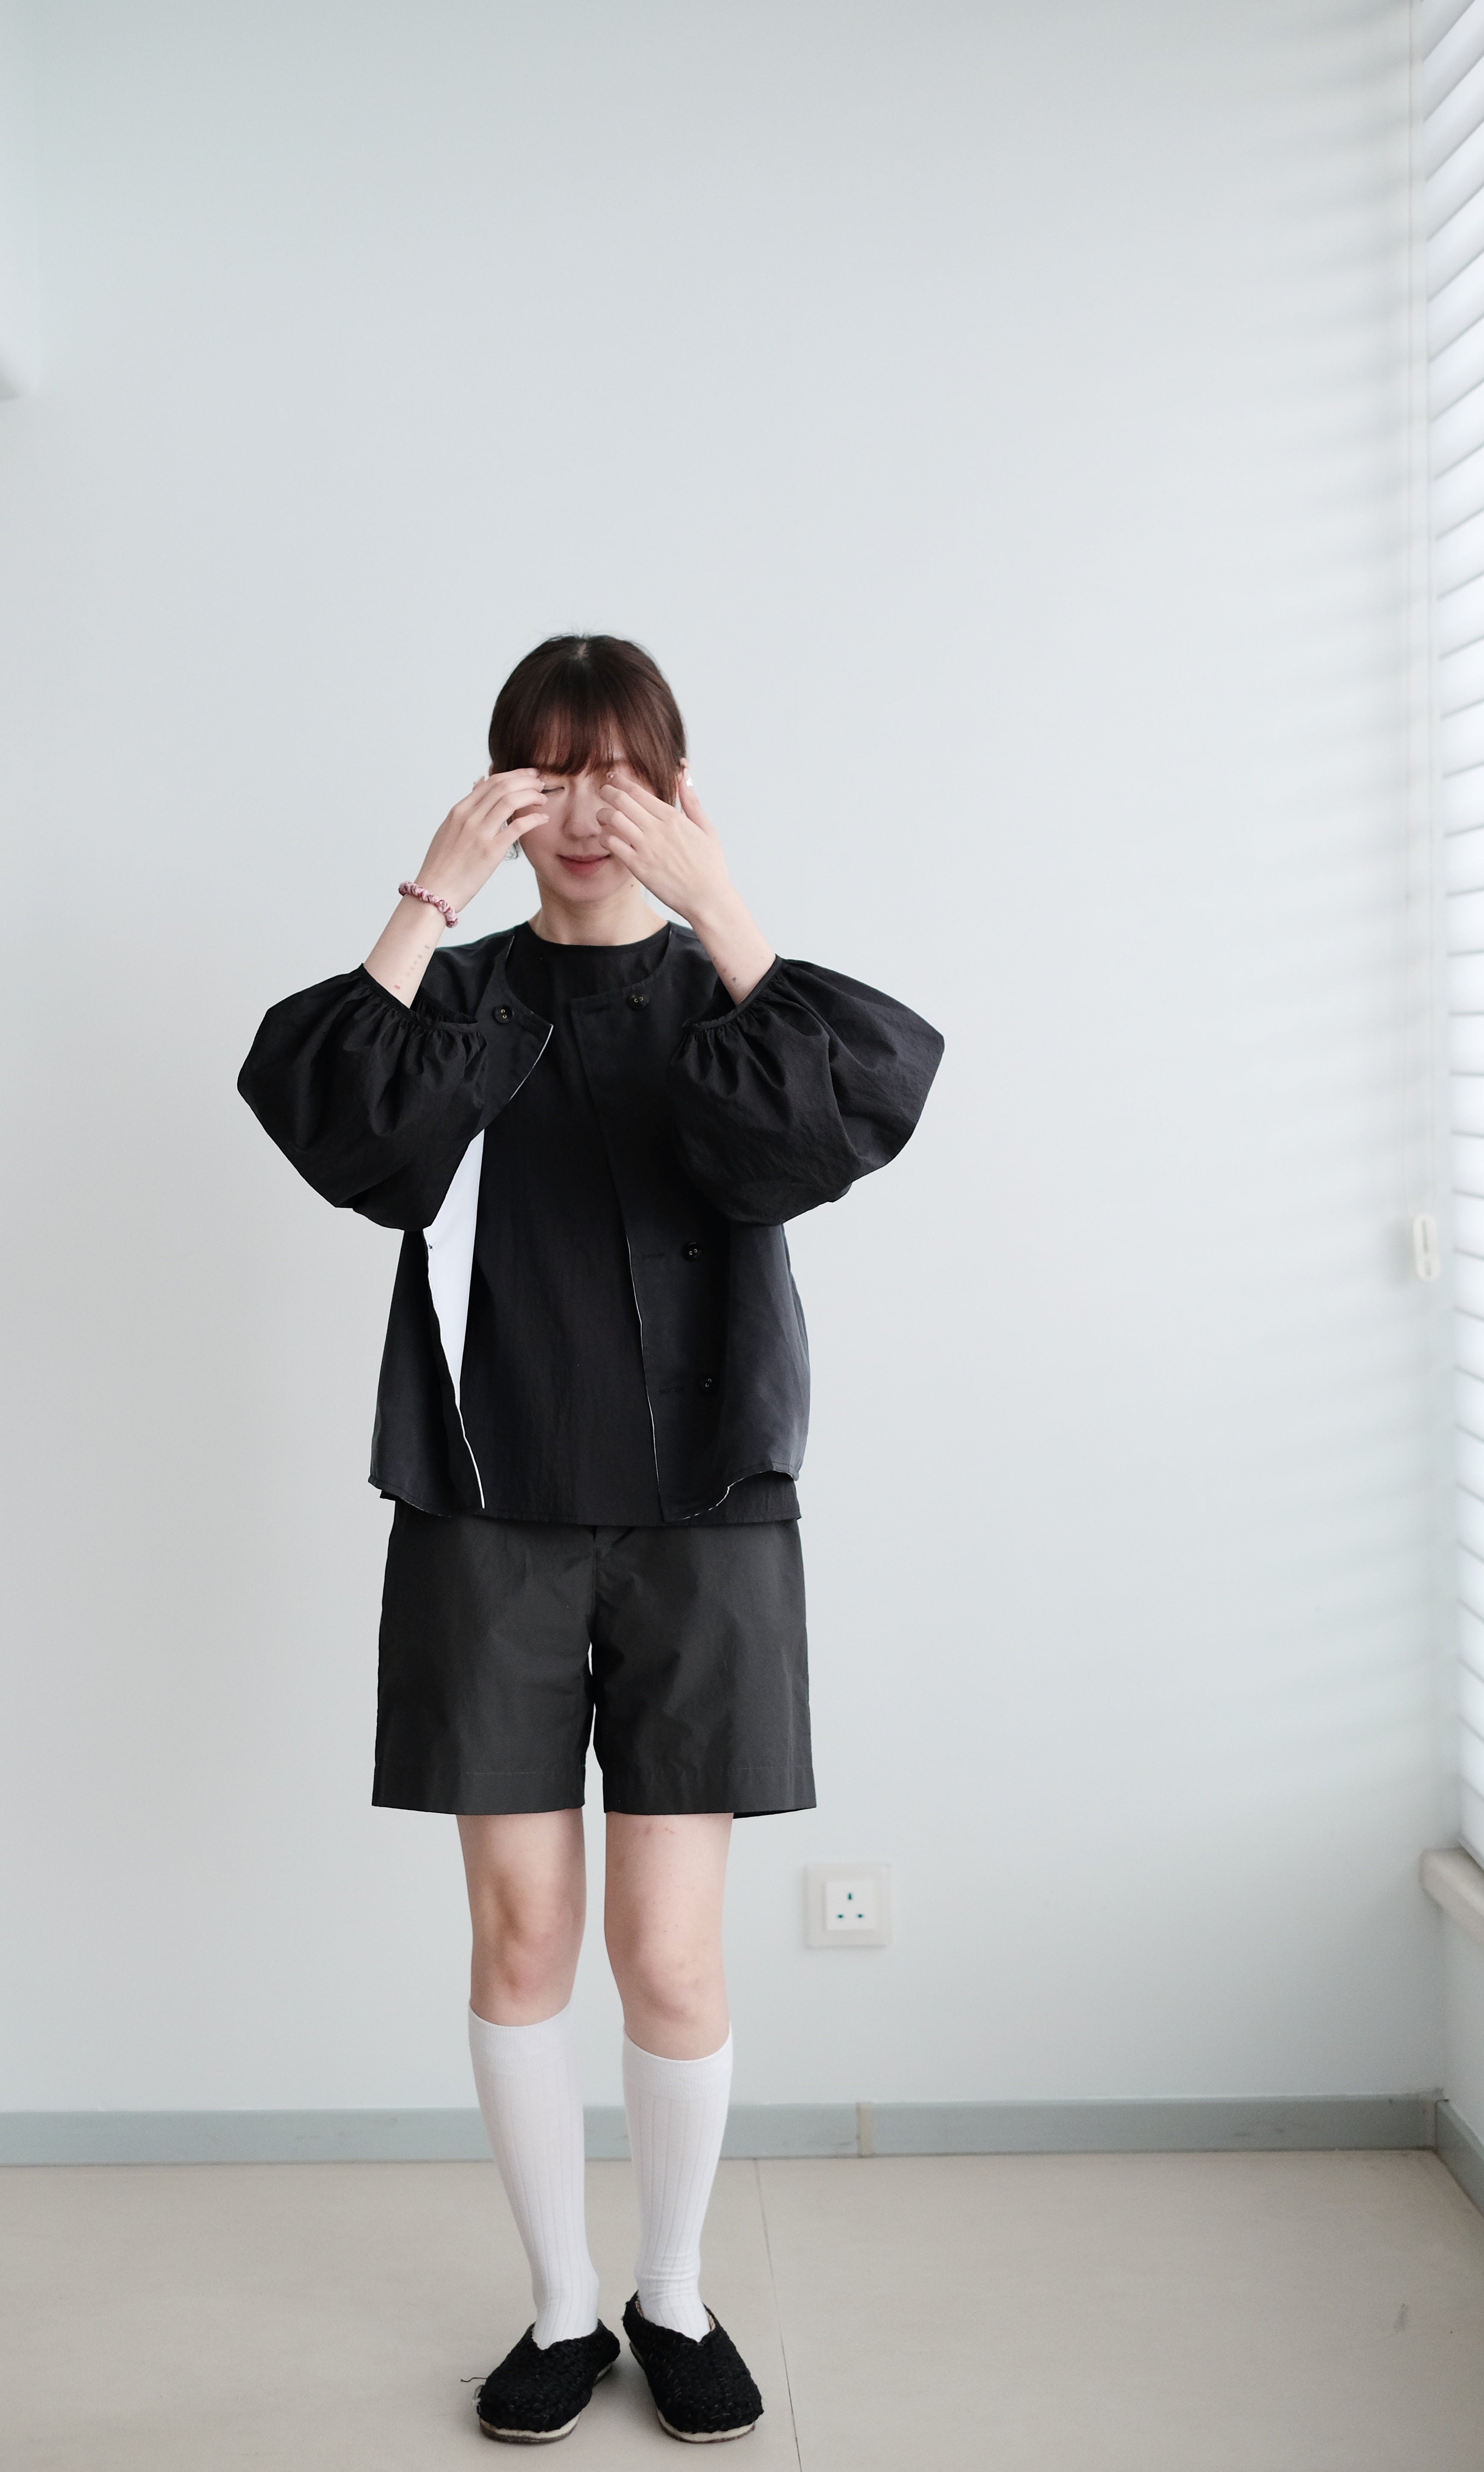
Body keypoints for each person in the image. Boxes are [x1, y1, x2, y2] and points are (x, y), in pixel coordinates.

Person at [237, 635, 942, 2445]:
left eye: (619, 773)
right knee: (522, 1937)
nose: (582, 811)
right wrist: (429, 891)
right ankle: (561, 2309)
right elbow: (329, 1118)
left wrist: (723, 902)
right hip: (489, 1513)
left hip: (708, 1519)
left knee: (674, 1955)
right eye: (547, 773)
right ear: (502, 788)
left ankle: (673, 2292)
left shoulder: (735, 1007)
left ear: (674, 791)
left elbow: (861, 1103)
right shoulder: (458, 1000)